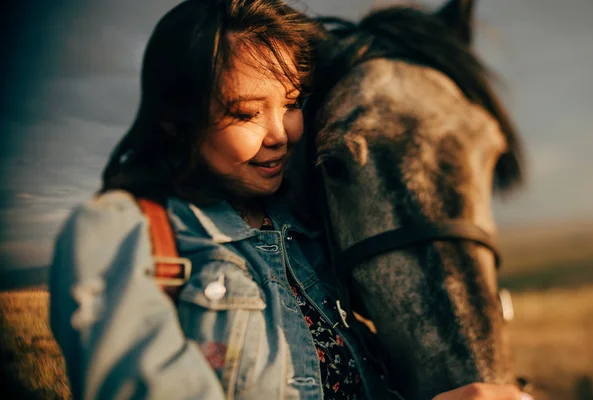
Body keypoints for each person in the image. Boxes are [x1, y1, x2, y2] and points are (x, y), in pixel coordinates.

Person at [49, 1, 533, 399]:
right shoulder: (123, 235)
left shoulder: (306, 236)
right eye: (245, 113)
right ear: (177, 119)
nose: (282, 134)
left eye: (292, 103)